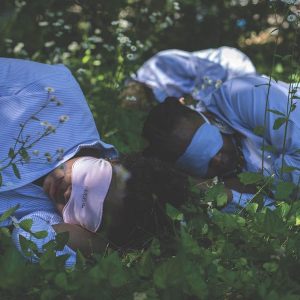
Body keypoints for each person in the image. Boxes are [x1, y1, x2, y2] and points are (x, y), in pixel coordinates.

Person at [0, 57, 187, 266]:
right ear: (114, 160)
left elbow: (33, 240)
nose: (70, 193)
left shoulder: (51, 218)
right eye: (91, 182)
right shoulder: (53, 88)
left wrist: (105, 248)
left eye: (88, 212)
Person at [142, 74, 300, 211]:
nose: (218, 160)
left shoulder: (242, 94)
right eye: (204, 164)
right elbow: (276, 214)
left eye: (213, 145)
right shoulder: (208, 190)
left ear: (211, 121)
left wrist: (245, 186)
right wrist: (231, 194)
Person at [120, 46, 256, 110]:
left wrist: (194, 97)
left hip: (232, 67)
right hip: (221, 86)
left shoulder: (160, 62)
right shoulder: (153, 95)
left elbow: (214, 69)